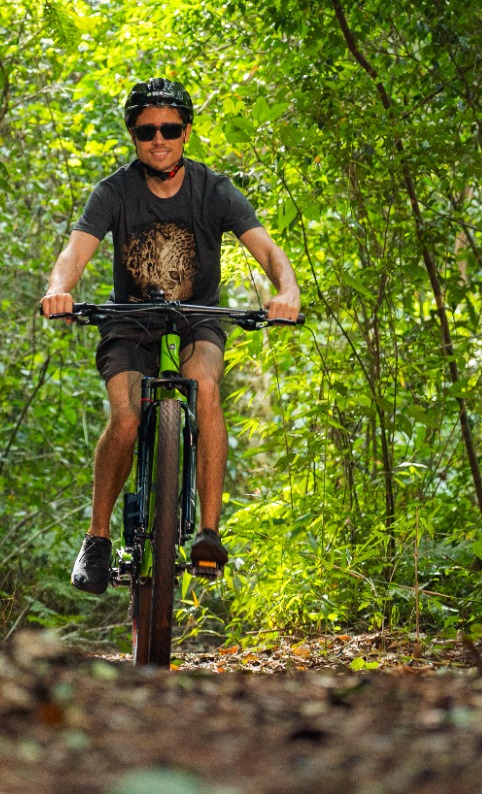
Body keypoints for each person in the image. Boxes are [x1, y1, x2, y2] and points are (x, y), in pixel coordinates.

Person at [40, 78, 301, 594]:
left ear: (185, 133)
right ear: (134, 136)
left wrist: (286, 292)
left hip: (196, 315)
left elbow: (267, 250)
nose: (159, 140)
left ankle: (208, 533)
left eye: (170, 129)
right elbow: (74, 254)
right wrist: (58, 290)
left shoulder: (214, 190)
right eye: (146, 131)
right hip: (129, 318)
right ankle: (96, 540)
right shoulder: (114, 191)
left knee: (204, 386)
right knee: (128, 414)